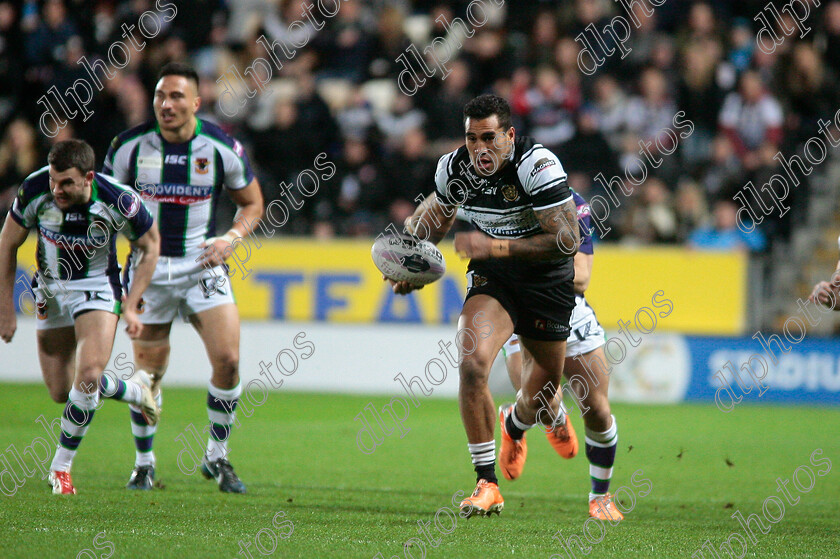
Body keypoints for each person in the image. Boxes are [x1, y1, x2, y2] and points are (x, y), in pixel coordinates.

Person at [396, 94, 580, 517]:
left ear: (509, 135)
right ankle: (486, 483)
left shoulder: (538, 166)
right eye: (471, 138)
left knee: (544, 388)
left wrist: (495, 245)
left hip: (546, 280)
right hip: (494, 277)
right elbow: (435, 221)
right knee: (472, 362)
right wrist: (411, 265)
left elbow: (567, 239)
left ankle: (517, 420)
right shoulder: (454, 168)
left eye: (489, 138)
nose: (479, 148)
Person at [103, 62, 264, 492]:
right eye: (160, 95)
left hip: (201, 266)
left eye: (176, 96)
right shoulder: (128, 148)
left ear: (195, 102)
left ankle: (218, 457)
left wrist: (231, 237)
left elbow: (252, 204)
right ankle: (144, 463)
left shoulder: (220, 147)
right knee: (147, 376)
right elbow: (102, 205)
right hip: (149, 271)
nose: (166, 104)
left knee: (228, 360)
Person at [0, 139, 160, 494]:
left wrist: (131, 304)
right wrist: (5, 308)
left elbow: (150, 246)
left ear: (89, 177)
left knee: (87, 375)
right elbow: (7, 243)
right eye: (55, 180)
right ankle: (134, 391)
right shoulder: (34, 189)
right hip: (51, 290)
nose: (57, 189)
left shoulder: (120, 201)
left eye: (67, 183)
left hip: (97, 288)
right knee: (62, 390)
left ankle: (61, 467)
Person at [500, 188, 623, 521]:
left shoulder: (574, 205)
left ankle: (600, 498)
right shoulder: (499, 202)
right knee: (541, 401)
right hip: (519, 312)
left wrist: (525, 261)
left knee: (597, 408)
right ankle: (517, 423)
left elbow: (581, 278)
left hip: (569, 310)